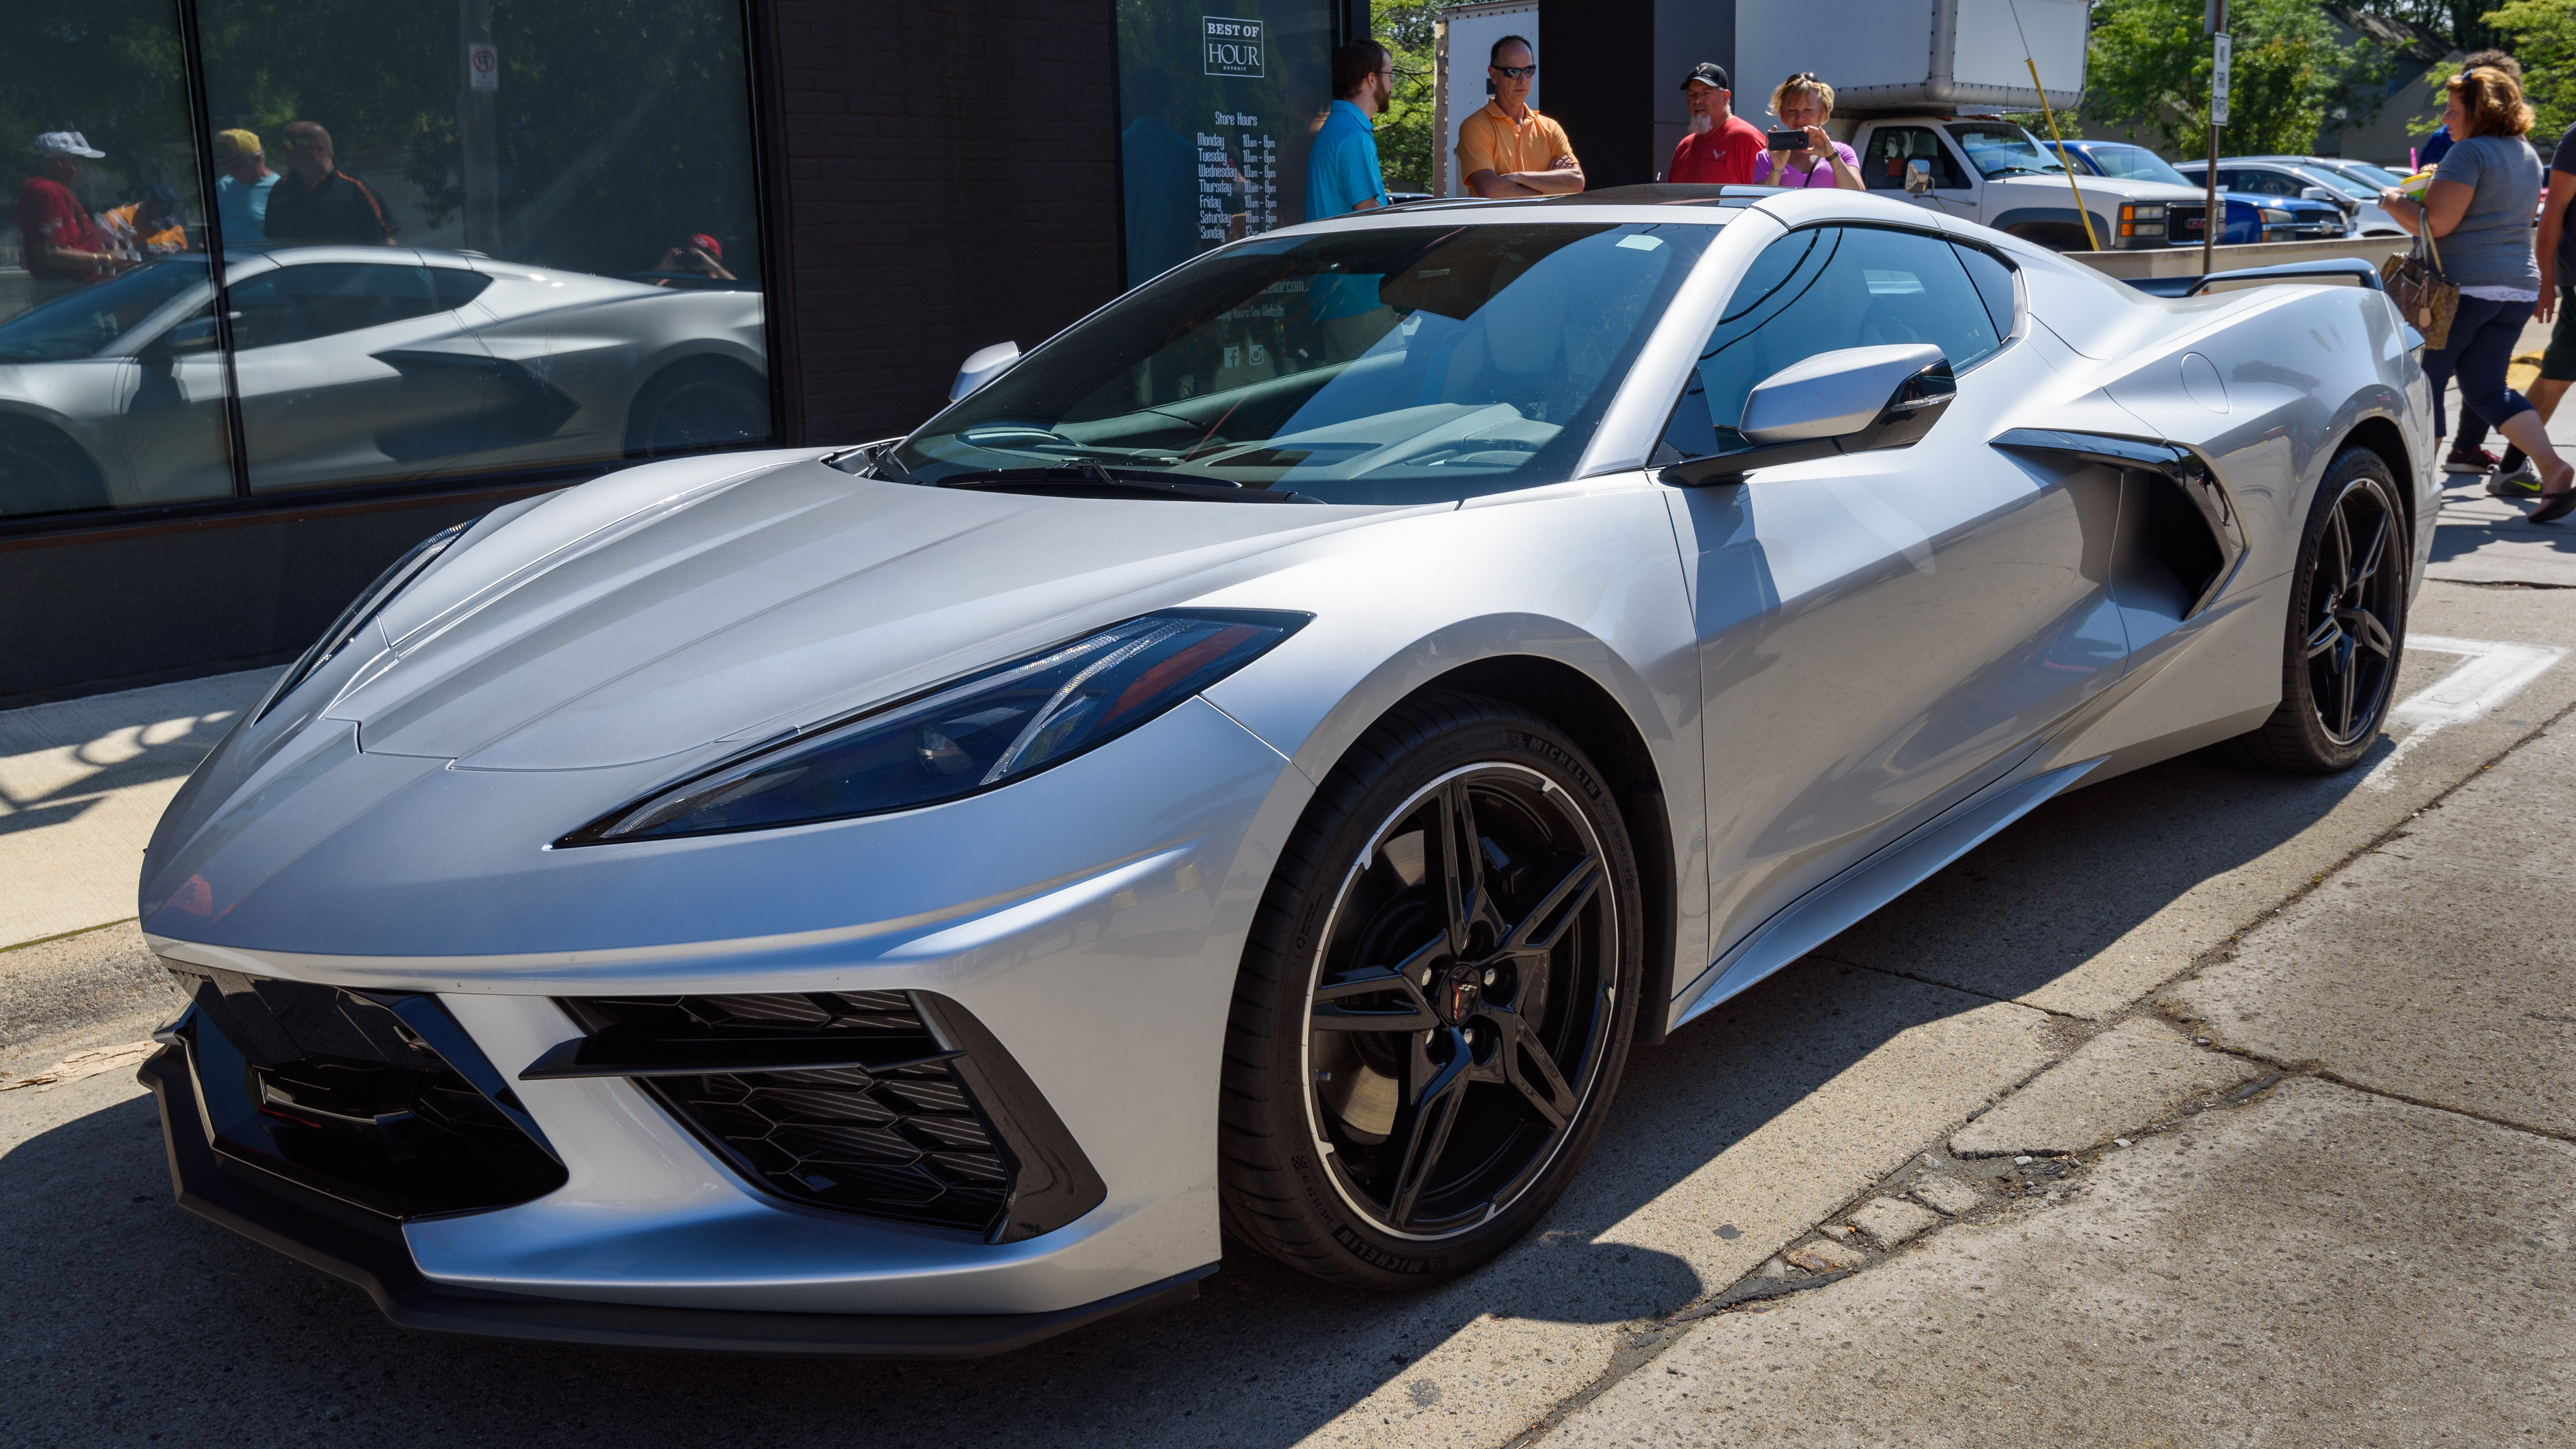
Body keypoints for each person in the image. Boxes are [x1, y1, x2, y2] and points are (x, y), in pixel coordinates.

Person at [2378, 67, 2576, 520]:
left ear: (2479, 111)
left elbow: (2439, 223)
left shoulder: (2468, 153)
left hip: (2461, 292)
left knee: (2425, 383)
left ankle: (2416, 494)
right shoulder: (2525, 153)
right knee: (2487, 388)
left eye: (2453, 109)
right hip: (2515, 290)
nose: (2446, 119)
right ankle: (2553, 468)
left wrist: (2390, 200)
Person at [1457, 36, 1582, 199]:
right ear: (1493, 75)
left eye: (1529, 71)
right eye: (1514, 72)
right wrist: (1550, 186)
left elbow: (1577, 182)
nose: (1523, 80)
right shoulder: (1474, 127)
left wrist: (1516, 178)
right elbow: (1490, 190)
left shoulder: (1551, 128)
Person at [15, 132, 124, 302]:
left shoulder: (59, 192)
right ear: (60, 161)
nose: (86, 168)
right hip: (66, 291)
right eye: (79, 161)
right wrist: (105, 259)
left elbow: (70, 246)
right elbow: (50, 253)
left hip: (76, 288)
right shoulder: (47, 191)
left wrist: (103, 252)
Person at [262, 121, 394, 247]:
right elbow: (273, 241)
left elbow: (386, 242)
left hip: (346, 269)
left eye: (290, 145)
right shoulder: (282, 189)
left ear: (317, 149)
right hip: (297, 269)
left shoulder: (356, 188)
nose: (283, 152)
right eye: (282, 145)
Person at [1308, 38, 1392, 219]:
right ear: (1372, 78)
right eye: (1389, 76)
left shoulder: (1338, 126)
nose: (1391, 85)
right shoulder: (1354, 136)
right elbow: (1370, 217)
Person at [1752, 74, 1863, 190]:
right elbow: (1761, 201)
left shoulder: (1842, 152)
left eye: (1808, 110)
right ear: (1782, 114)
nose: (1800, 117)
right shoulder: (1767, 157)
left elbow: (1858, 193)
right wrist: (1777, 168)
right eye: (1792, 110)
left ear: (1822, 111)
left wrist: (1832, 156)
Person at [1665, 62, 1765, 185]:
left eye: (1707, 93)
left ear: (1725, 97)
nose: (1697, 100)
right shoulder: (1684, 147)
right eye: (1692, 94)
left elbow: (1765, 197)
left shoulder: (1747, 139)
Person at [211, 128, 279, 246]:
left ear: (257, 160)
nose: (229, 171)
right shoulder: (222, 187)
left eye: (235, 166)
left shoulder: (278, 189)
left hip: (261, 262)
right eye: (224, 165)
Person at [101, 183, 187, 258]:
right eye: (161, 217)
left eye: (171, 220)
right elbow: (105, 259)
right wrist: (127, 255)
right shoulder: (116, 220)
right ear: (148, 203)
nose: (168, 222)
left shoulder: (176, 226)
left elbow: (184, 259)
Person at [649, 232, 736, 286]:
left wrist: (714, 268)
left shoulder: (722, 284)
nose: (697, 256)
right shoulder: (673, 280)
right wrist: (663, 268)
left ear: (718, 259)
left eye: (705, 253)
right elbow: (647, 287)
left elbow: (739, 291)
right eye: (691, 252)